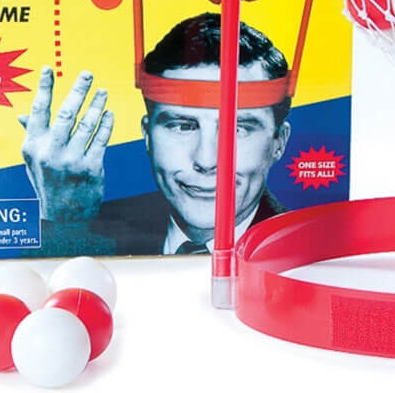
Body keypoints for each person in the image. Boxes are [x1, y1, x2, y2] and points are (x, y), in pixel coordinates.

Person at [20, 13, 292, 256]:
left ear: (279, 142)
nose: (207, 161)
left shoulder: (305, 250)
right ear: (147, 136)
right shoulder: (88, 233)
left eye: (237, 129)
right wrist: (64, 222)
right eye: (183, 126)